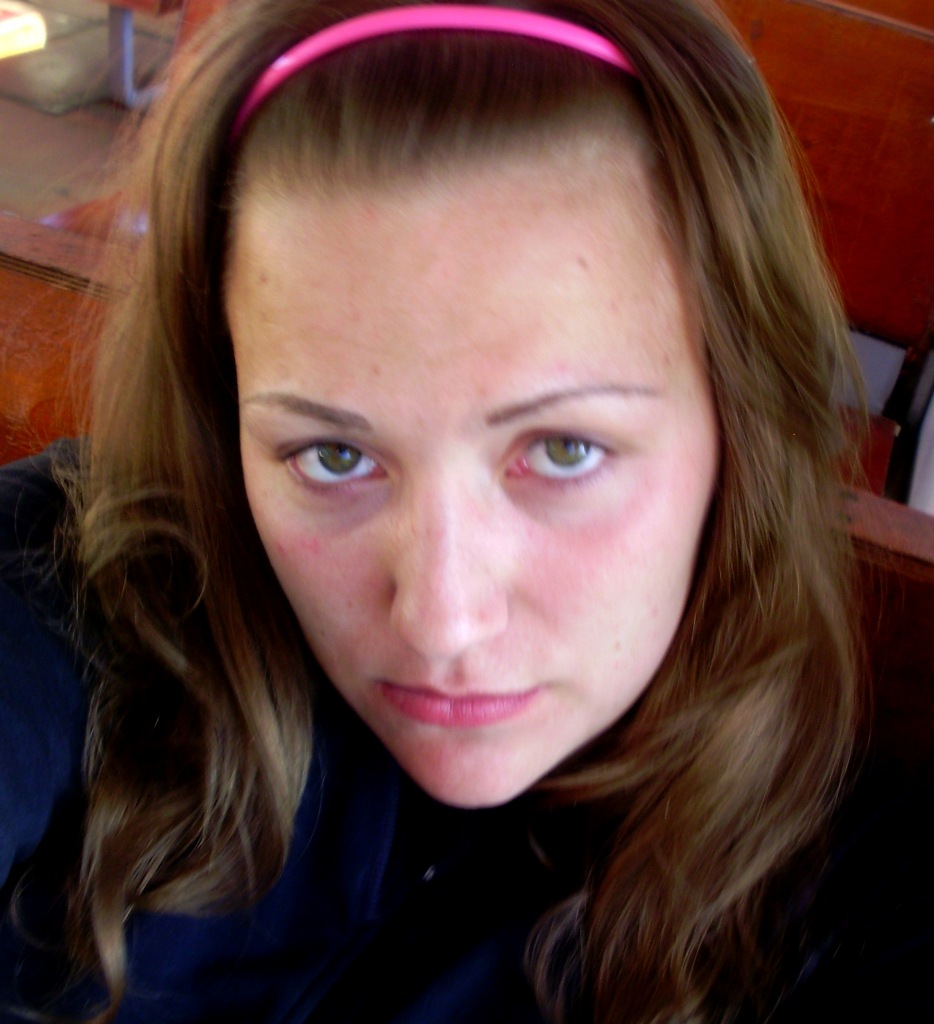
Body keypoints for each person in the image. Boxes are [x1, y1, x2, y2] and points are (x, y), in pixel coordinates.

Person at [1, 0, 930, 1021]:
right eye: (334, 456)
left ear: (735, 428)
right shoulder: (88, 601)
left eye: (564, 450)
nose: (441, 621)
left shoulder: (853, 905)